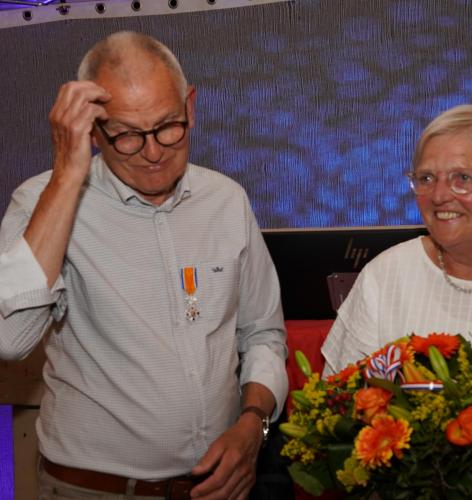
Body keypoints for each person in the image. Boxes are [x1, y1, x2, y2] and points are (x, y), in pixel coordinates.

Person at [0, 31, 288, 499]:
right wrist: (68, 175)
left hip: (217, 488)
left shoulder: (226, 200)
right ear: (93, 130)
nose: (153, 153)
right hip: (92, 491)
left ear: (191, 106)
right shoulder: (40, 202)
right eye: (127, 135)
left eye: (169, 126)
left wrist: (254, 423)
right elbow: (9, 340)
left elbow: (262, 333)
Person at [322, 104, 472, 375]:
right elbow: (338, 395)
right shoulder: (386, 276)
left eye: (462, 178)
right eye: (426, 178)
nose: (439, 196)